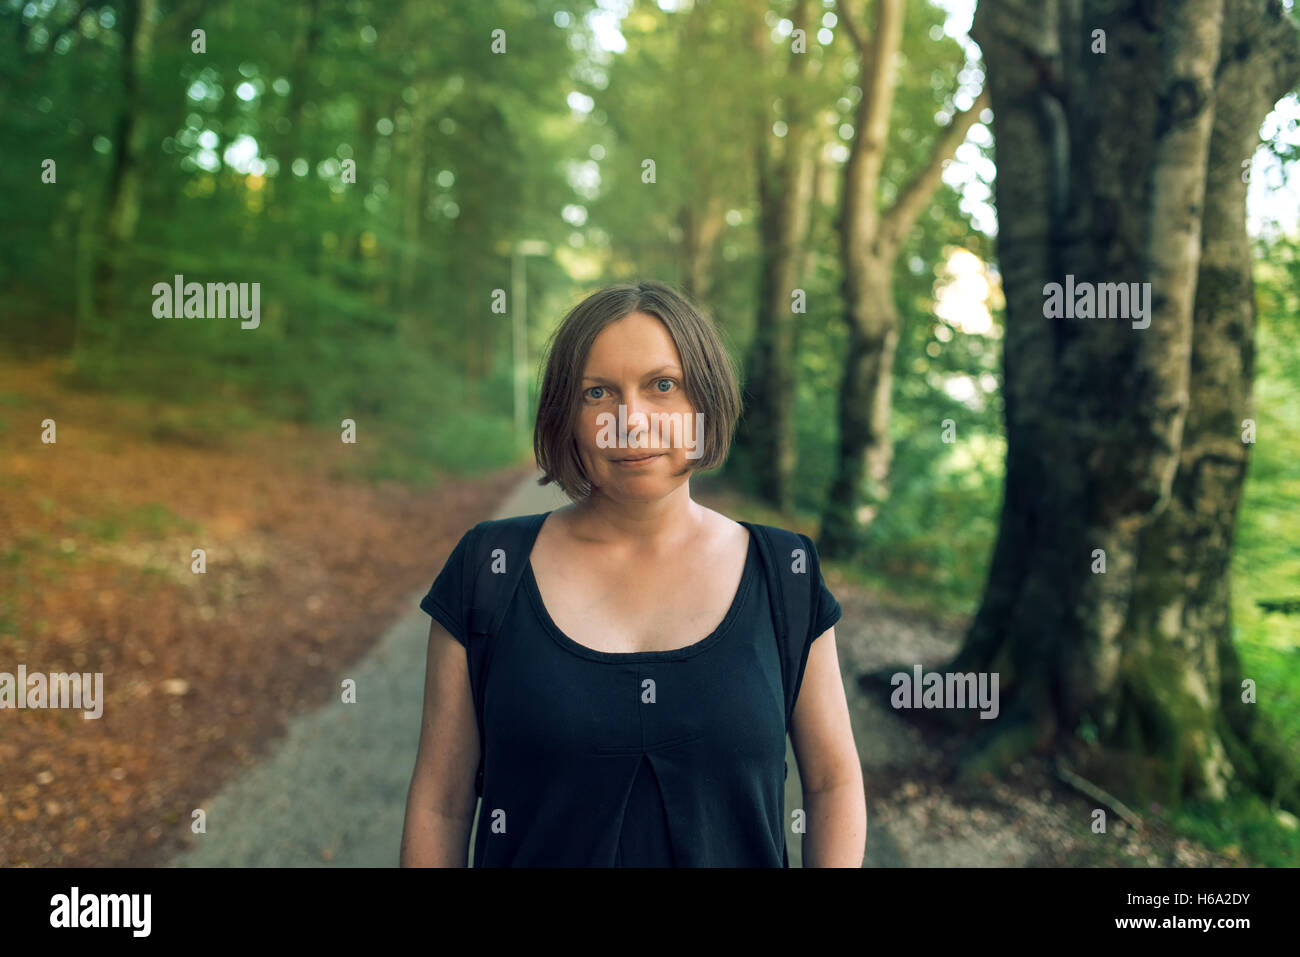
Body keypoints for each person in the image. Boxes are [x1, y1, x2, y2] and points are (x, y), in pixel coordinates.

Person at [399, 279, 865, 867]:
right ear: (566, 416)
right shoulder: (488, 568)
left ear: (705, 399)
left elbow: (832, 784)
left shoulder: (786, 574)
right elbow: (441, 804)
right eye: (597, 393)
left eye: (663, 385)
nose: (631, 422)